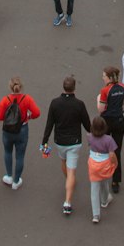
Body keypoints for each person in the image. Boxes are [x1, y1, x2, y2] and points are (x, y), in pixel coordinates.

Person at [41, 74, 92, 215]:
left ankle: (69, 181)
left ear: (63, 87)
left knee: (63, 162)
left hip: (60, 141)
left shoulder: (54, 103)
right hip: (74, 142)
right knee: (72, 171)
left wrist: (44, 141)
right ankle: (67, 202)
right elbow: (88, 125)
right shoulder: (79, 104)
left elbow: (49, 124)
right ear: (74, 88)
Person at [0, 75, 41, 189]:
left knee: (7, 152)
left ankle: (9, 176)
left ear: (10, 87)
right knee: (20, 156)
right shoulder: (27, 99)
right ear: (21, 87)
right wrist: (28, 117)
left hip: (7, 130)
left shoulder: (5, 100)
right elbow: (36, 113)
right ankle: (16, 181)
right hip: (22, 129)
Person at [97, 65, 124, 191]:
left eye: (104, 76)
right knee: (116, 151)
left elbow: (101, 109)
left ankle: (102, 174)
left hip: (106, 122)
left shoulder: (105, 91)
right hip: (119, 121)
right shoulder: (122, 87)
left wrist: (98, 99)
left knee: (102, 149)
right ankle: (116, 181)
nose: (102, 78)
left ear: (110, 78)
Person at [87, 114, 118, 221]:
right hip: (105, 164)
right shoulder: (108, 140)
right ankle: (104, 200)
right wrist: (115, 164)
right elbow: (112, 154)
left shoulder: (90, 137)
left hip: (93, 164)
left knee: (94, 189)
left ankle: (96, 214)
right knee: (104, 181)